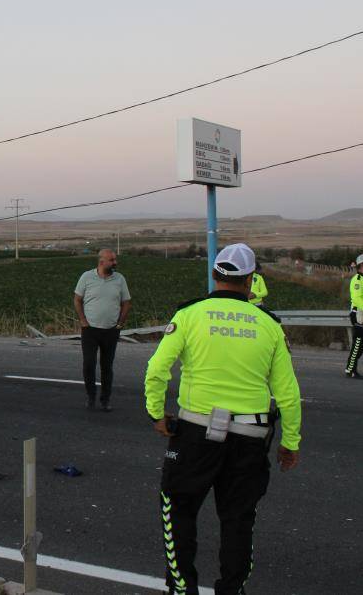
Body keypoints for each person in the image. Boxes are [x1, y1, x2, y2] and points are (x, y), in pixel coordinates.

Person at [144, 243, 301, 595]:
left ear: (215, 275)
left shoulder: (189, 315)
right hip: (250, 437)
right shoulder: (270, 325)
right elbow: (288, 394)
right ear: (250, 281)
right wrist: (290, 443)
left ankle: (182, 588)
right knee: (238, 519)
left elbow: (157, 370)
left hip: (195, 433)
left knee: (178, 508)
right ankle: (232, 590)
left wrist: (156, 413)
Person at [73, 249, 131, 411]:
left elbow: (126, 302)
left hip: (111, 330)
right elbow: (77, 300)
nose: (115, 263)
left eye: (115, 260)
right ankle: (91, 395)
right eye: (112, 260)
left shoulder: (119, 279)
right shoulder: (86, 277)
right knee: (89, 364)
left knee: (107, 366)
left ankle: (105, 400)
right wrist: (83, 321)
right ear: (101, 262)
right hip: (90, 330)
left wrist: (120, 323)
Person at [344, 253, 363, 378]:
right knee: (358, 342)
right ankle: (350, 370)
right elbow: (356, 299)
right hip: (358, 314)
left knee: (361, 344)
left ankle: (350, 368)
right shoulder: (357, 280)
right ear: (360, 266)